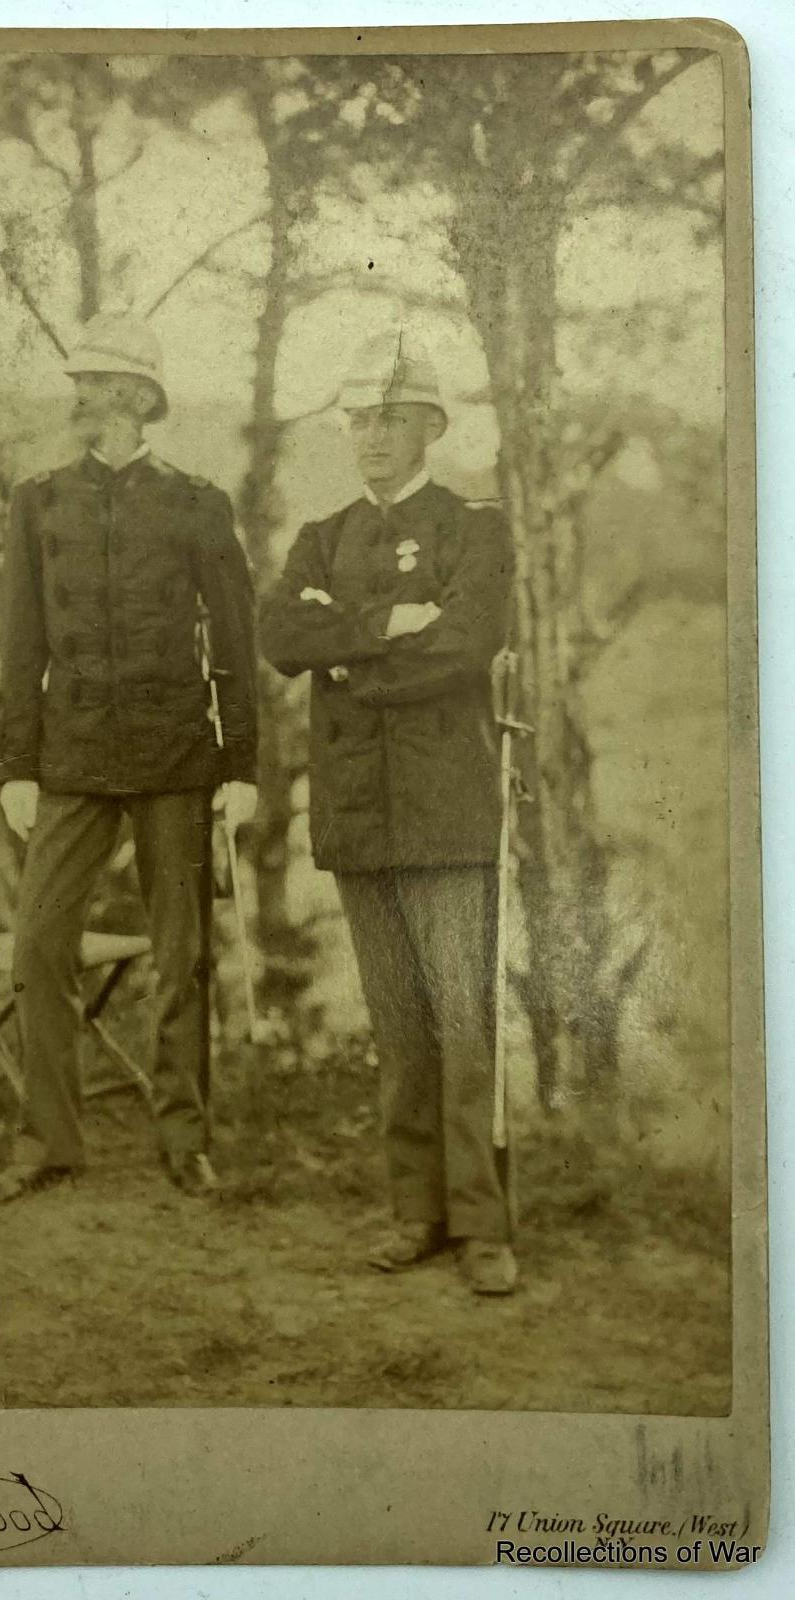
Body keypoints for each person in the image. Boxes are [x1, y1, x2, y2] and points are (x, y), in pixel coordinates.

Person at [0, 313, 258, 1207]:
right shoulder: (37, 502)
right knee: (39, 944)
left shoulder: (197, 504)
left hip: (177, 757)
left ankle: (183, 1138)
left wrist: (240, 767)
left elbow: (236, 648)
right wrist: (17, 765)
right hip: (70, 760)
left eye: (95, 384)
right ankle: (48, 1142)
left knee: (183, 956)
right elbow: (21, 647)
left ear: (136, 398)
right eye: (77, 383)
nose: (78, 398)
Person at [260, 331, 517, 1294]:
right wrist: (378, 628)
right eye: (359, 421)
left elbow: (462, 648)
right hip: (359, 813)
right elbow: (281, 635)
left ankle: (484, 1225)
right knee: (399, 1025)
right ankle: (417, 1213)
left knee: (461, 1019)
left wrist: (347, 664)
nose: (370, 437)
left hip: (448, 809)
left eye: (391, 421)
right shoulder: (320, 537)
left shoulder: (472, 528)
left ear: (430, 429)